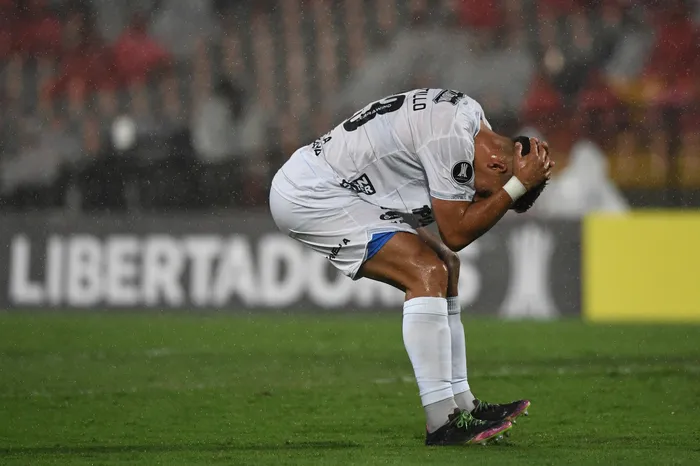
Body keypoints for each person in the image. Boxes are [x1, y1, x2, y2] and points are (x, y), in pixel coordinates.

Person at [269, 89, 552, 446]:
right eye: (486, 193)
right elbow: (456, 232)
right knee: (426, 272)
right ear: (498, 166)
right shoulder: (453, 137)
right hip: (314, 194)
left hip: (348, 187)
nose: (478, 197)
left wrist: (514, 183)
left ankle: (462, 403)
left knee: (446, 265)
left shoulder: (470, 119)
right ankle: (441, 421)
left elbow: (451, 243)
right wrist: (516, 187)